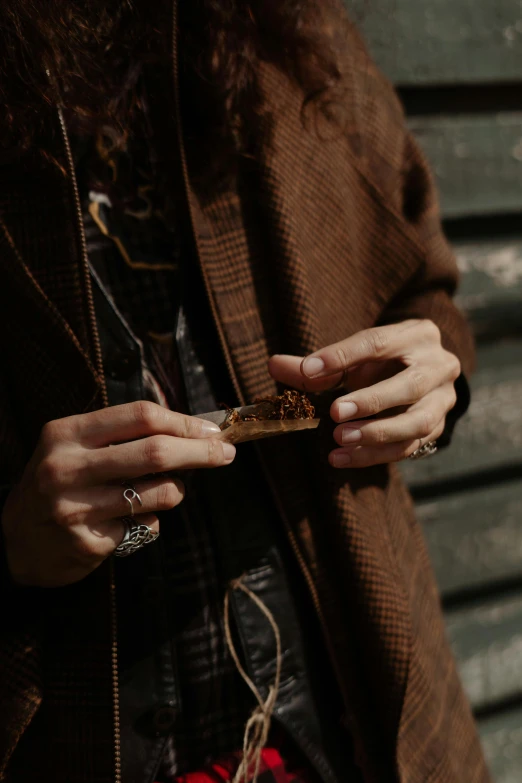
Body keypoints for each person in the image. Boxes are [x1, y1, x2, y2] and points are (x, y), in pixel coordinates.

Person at [0, 1, 490, 782]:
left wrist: (433, 393)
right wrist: (8, 544)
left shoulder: (296, 38)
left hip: (357, 727)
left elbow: (427, 301)